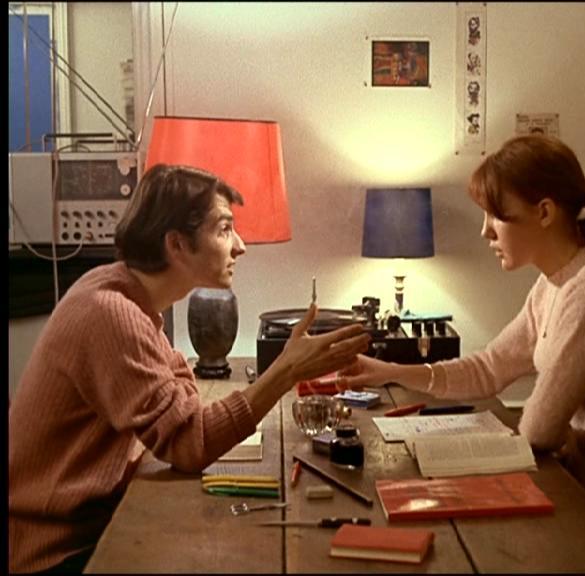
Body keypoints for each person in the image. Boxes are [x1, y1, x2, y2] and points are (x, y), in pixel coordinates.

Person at [9, 164, 371, 573]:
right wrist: (285, 371)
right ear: (177, 244)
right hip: (52, 553)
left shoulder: (128, 298)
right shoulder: (110, 312)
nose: (240, 246)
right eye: (224, 229)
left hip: (88, 530)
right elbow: (191, 444)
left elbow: (185, 407)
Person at [338, 135, 585, 564]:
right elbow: (489, 368)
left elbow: (538, 432)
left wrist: (554, 434)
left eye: (495, 215)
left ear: (544, 213)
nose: (485, 230)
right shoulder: (554, 284)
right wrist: (389, 371)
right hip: (581, 486)